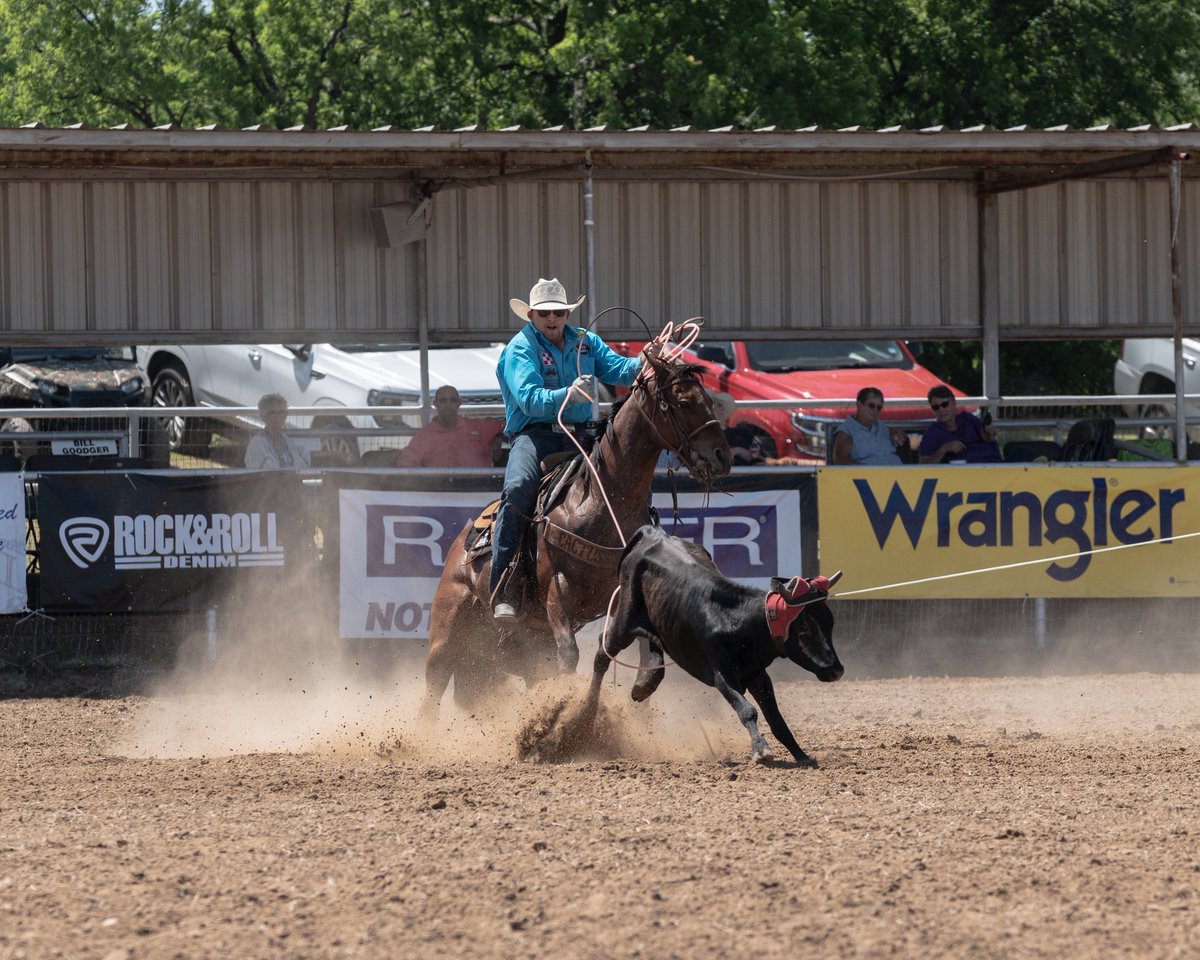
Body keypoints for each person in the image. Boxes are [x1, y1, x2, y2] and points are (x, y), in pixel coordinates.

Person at [489, 277, 650, 620]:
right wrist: (567, 395)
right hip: (535, 435)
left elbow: (619, 370)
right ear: (531, 315)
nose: (552, 318)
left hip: (584, 434)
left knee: (628, 482)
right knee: (517, 488)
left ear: (566, 314)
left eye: (559, 312)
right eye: (545, 313)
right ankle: (504, 585)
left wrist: (646, 361)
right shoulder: (520, 348)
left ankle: (645, 577)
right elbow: (529, 399)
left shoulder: (585, 342)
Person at [394, 385, 503, 468]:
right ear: (435, 404)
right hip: (439, 491)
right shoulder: (425, 435)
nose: (448, 405)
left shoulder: (478, 427)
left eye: (453, 400)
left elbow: (507, 428)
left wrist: (498, 437)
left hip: (479, 490)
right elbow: (405, 464)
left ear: (459, 403)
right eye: (443, 401)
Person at [918, 384, 1001, 464]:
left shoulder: (968, 418)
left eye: (945, 404)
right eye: (936, 407)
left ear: (954, 402)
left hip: (994, 464)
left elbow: (986, 438)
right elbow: (923, 465)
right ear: (932, 409)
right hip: (964, 473)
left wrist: (990, 432)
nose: (941, 410)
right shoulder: (932, 433)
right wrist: (944, 449)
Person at [831, 387, 909, 465]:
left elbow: (902, 436)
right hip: (871, 476)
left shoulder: (881, 426)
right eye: (871, 405)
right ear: (859, 405)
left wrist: (896, 433)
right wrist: (868, 471)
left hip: (900, 474)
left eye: (879, 408)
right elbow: (839, 461)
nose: (875, 410)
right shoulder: (847, 431)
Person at [244, 393, 313, 469]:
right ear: (263, 416)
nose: (277, 416)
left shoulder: (288, 441)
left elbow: (302, 466)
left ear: (286, 415)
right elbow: (268, 473)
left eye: (281, 412)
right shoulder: (258, 443)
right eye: (272, 413)